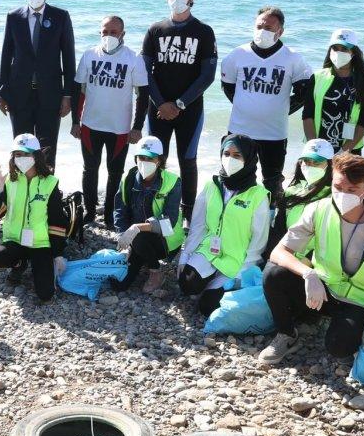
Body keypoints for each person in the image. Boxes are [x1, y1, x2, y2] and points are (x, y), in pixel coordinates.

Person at [259, 153, 364, 364]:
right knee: (273, 273)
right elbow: (279, 252)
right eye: (338, 187)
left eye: (352, 190)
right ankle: (287, 333)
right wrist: (309, 274)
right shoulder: (318, 209)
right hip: (322, 287)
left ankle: (358, 326)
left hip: (358, 299)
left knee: (339, 348)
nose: (343, 194)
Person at [136, 0, 218, 223]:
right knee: (155, 159)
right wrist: (161, 103)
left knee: (188, 161)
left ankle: (188, 213)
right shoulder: (155, 30)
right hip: (158, 109)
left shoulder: (203, 31)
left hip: (189, 109)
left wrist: (179, 104)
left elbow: (207, 75)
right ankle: (152, 208)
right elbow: (144, 72)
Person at [221, 6, 314, 197]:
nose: (262, 31)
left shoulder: (293, 58)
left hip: (274, 133)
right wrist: (246, 106)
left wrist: (281, 110)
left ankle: (272, 214)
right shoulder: (237, 54)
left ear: (280, 31)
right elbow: (228, 87)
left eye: (269, 28)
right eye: (259, 26)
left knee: (273, 183)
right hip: (240, 129)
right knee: (233, 177)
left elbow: (304, 93)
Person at [177, 135, 271, 316]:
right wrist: (185, 255)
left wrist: (241, 273)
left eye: (237, 155)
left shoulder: (258, 195)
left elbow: (258, 242)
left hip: (237, 259)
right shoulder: (211, 186)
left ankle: (217, 286)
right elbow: (198, 226)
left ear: (249, 159)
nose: (230, 159)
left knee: (207, 307)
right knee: (186, 284)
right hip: (209, 251)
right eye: (226, 154)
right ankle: (209, 281)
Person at [71, 15, 148, 227]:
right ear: (100, 32)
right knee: (90, 169)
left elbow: (143, 96)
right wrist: (75, 122)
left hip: (119, 129)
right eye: (105, 32)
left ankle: (109, 214)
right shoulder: (89, 55)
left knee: (115, 173)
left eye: (114, 32)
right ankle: (89, 210)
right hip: (90, 125)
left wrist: (137, 127)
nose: (109, 36)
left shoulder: (134, 58)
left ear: (123, 34)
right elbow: (78, 90)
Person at [0, 0, 77, 167]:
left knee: (47, 150)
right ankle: (21, 183)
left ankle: (46, 184)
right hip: (19, 94)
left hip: (50, 95)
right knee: (21, 147)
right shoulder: (14, 17)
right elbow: (6, 56)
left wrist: (68, 95)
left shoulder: (60, 17)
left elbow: (68, 58)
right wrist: (1, 92)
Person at [0, 134, 69, 302]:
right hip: (15, 241)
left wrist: (58, 253)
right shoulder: (9, 180)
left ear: (36, 156)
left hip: (40, 243)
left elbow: (57, 220)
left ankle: (41, 263)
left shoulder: (50, 182)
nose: (21, 158)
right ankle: (20, 264)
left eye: (26, 154)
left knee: (45, 294)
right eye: (18, 154)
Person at [111, 136, 184, 293]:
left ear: (159, 160)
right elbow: (119, 211)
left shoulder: (173, 181)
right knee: (120, 285)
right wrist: (122, 236)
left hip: (166, 239)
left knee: (139, 238)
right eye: (141, 158)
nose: (145, 162)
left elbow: (169, 222)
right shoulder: (128, 179)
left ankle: (156, 272)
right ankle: (140, 255)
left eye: (150, 158)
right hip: (136, 239)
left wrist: (137, 228)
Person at [302, 29, 364, 154]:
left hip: (350, 149)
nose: (339, 52)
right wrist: (314, 147)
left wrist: (344, 150)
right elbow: (307, 115)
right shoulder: (317, 77)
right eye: (335, 48)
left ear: (354, 52)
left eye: (344, 49)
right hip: (318, 149)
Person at [267, 139, 334, 255]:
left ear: (330, 165)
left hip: (315, 260)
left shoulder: (333, 197)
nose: (310, 166)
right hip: (285, 255)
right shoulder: (291, 191)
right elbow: (279, 230)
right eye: (306, 161)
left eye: (316, 162)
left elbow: (331, 239)